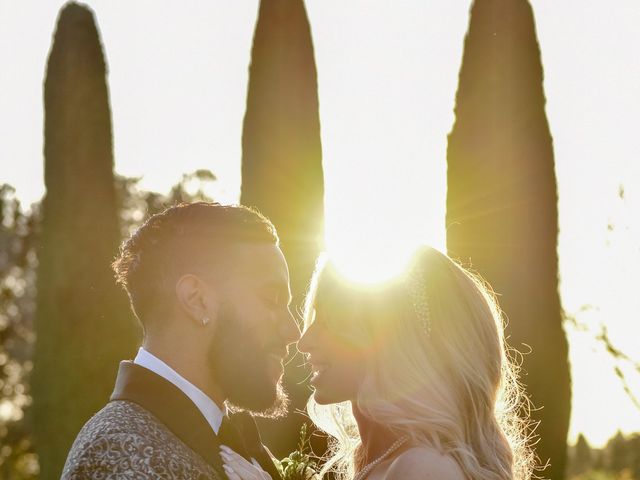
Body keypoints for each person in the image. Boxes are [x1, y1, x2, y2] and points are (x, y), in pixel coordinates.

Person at [222, 246, 535, 479]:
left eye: (327, 323)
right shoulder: (386, 460)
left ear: (387, 342)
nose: (305, 341)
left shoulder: (423, 468)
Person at [62, 202, 299, 479]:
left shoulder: (239, 445)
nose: (293, 331)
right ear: (197, 300)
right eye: (272, 299)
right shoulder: (117, 453)